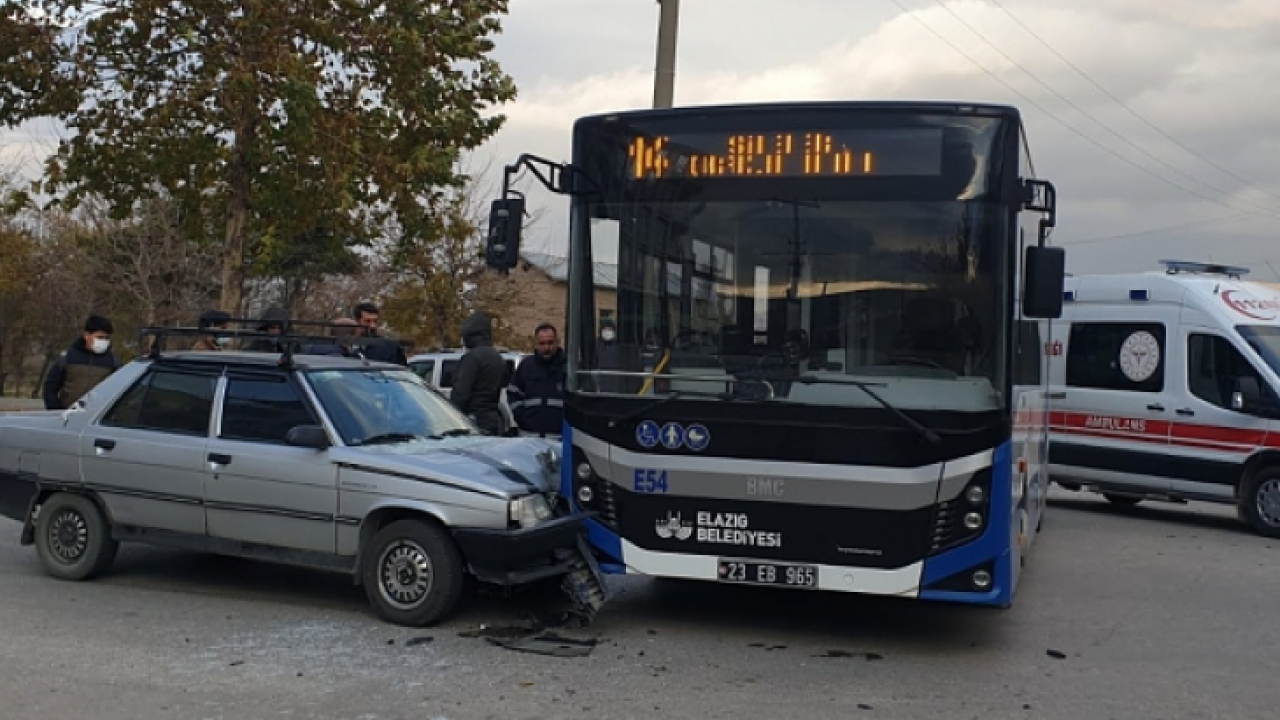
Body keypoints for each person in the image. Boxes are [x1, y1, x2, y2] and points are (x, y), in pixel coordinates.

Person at [43, 315, 121, 410]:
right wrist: (55, 409)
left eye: (106, 338)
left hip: (96, 416)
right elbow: (51, 386)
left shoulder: (112, 361)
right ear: (86, 335)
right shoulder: (68, 357)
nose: (103, 341)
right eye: (100, 337)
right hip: (68, 414)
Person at [451, 311, 508, 436]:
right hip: (493, 419)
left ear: (470, 335)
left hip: (473, 422)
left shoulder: (472, 358)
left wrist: (452, 417)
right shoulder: (497, 357)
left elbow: (461, 394)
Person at [508, 323, 567, 438]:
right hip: (529, 438)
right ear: (536, 344)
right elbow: (513, 394)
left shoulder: (568, 367)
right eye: (542, 343)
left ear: (557, 342)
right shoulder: (526, 366)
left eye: (550, 343)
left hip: (559, 439)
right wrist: (521, 417)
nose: (546, 348)